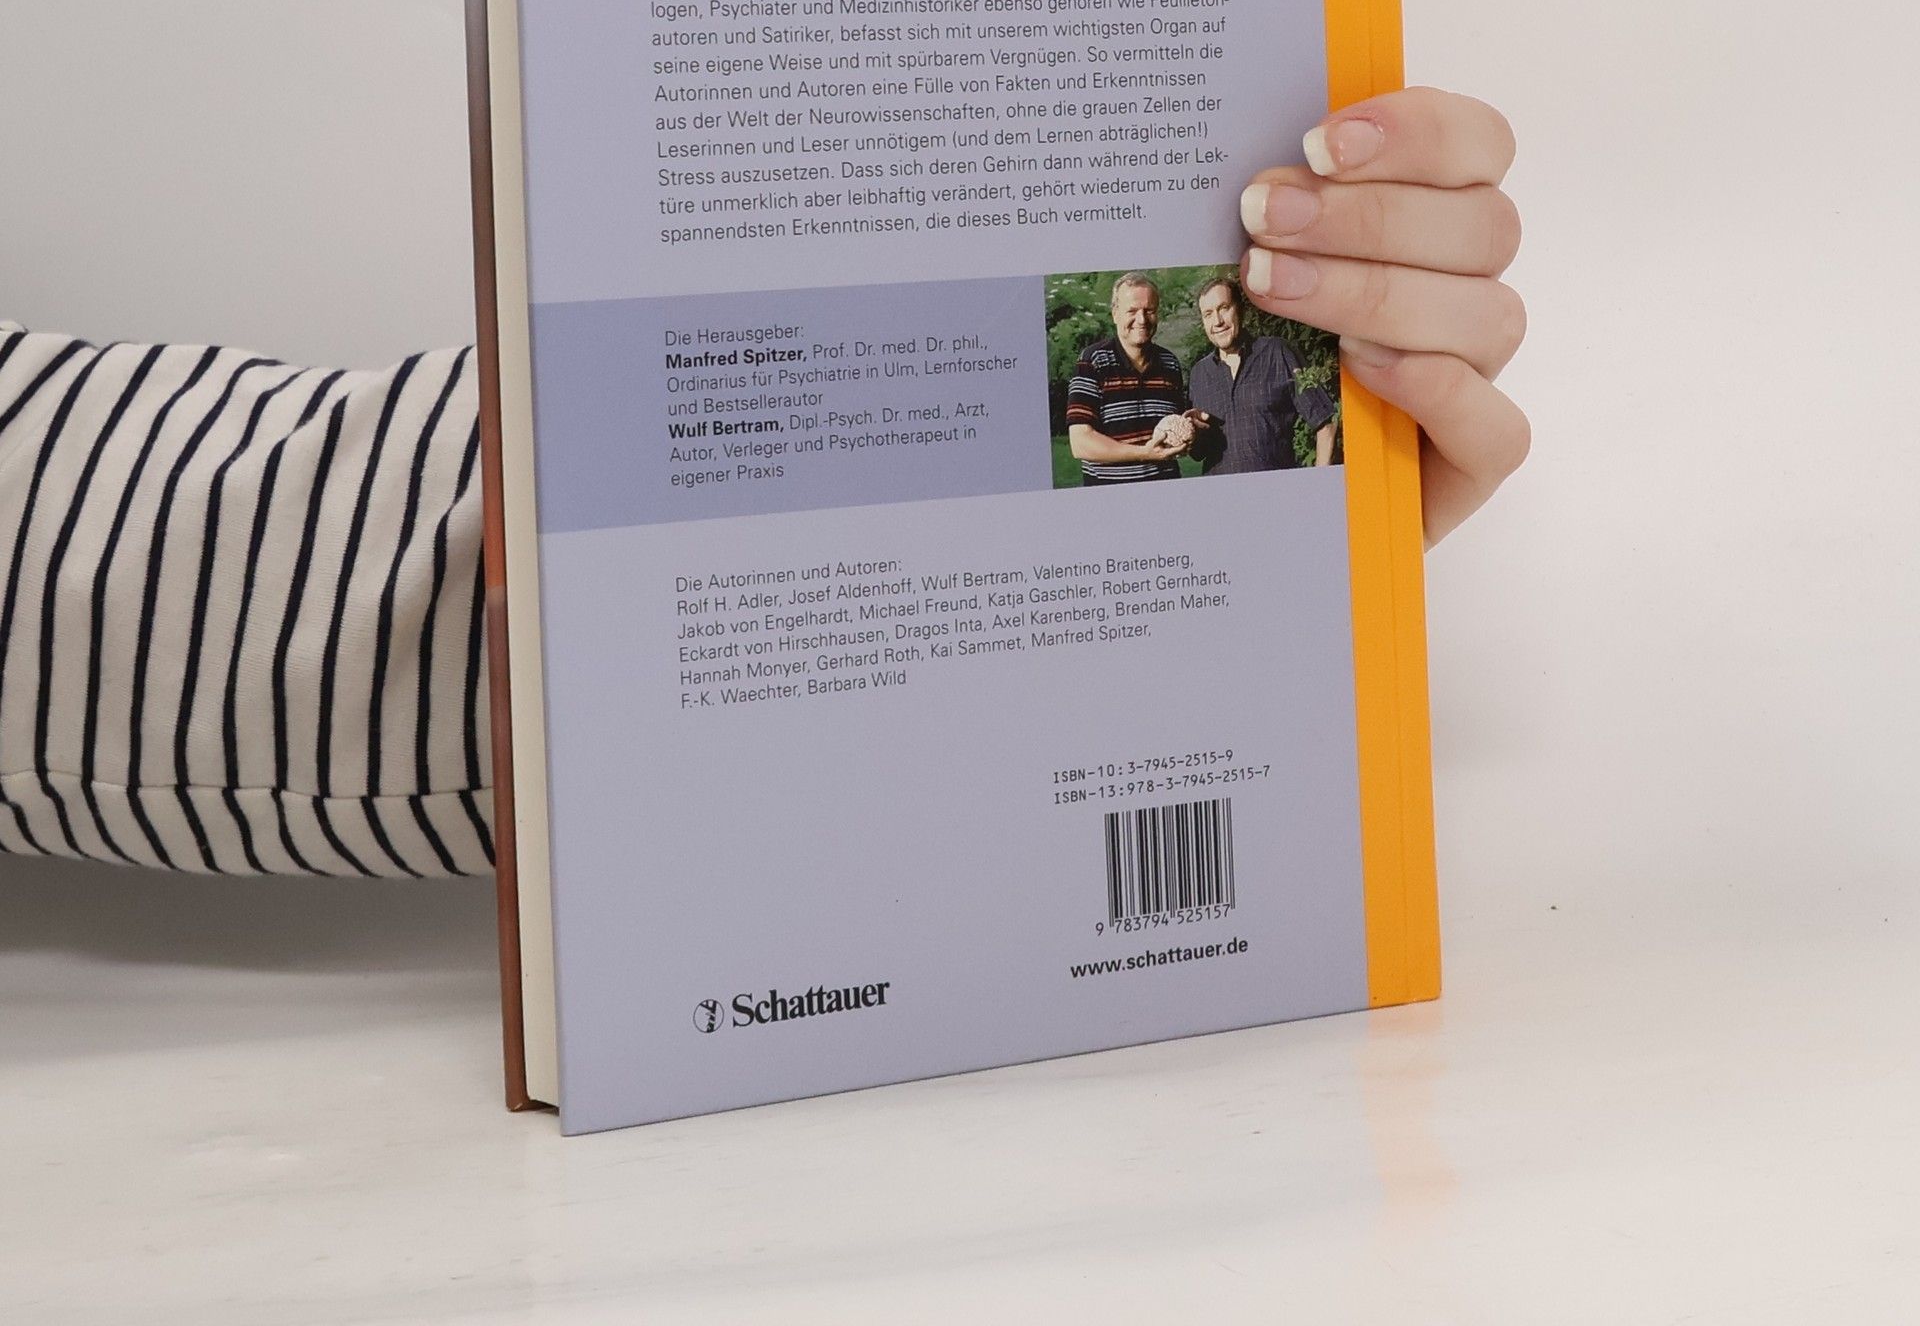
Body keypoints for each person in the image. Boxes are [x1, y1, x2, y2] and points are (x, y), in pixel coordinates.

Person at [0, 87, 1526, 876]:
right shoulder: (1111, 370)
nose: (1160, 321)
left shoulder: (1218, 365)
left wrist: (1238, 577)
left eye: (1162, 310)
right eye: (1145, 308)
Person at [1187, 274, 1338, 474]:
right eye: (1208, 314)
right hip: (1221, 491)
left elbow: (1325, 422)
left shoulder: (1277, 353)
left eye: (1224, 308)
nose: (1217, 321)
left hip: (1275, 488)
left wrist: (1318, 482)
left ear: (1240, 309)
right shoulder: (1199, 374)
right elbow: (1198, 453)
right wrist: (1192, 432)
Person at [1063, 274, 1193, 485]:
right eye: (1132, 311)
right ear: (1115, 314)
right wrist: (1144, 454)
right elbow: (1080, 442)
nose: (1142, 320)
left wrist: (1190, 425)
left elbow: (1173, 427)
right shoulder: (1093, 361)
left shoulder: (1169, 363)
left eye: (1149, 310)